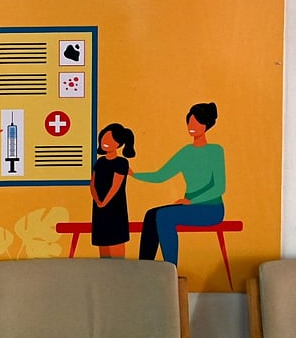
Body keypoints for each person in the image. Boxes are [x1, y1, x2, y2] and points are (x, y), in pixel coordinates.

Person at [132, 102, 226, 265]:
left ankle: (171, 267)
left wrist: (191, 201)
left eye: (197, 122)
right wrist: (134, 175)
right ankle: (145, 267)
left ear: (206, 125)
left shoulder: (215, 151)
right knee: (151, 214)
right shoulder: (186, 152)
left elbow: (219, 187)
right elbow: (160, 175)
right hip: (189, 207)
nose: (192, 126)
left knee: (164, 216)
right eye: (190, 121)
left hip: (211, 209)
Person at [90, 123, 136, 258]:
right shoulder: (100, 162)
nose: (105, 142)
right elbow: (92, 183)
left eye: (110, 140)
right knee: (102, 243)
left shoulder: (121, 162)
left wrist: (104, 203)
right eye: (104, 138)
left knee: (116, 241)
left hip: (115, 208)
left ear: (119, 143)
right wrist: (98, 200)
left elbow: (116, 186)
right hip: (99, 208)